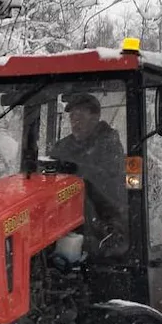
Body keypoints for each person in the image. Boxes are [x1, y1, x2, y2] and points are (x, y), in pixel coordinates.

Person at [48, 93, 127, 256]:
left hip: (102, 214)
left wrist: (75, 169)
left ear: (95, 118)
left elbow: (106, 181)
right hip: (63, 214)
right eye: (72, 117)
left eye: (81, 116)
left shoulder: (109, 144)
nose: (75, 122)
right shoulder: (63, 146)